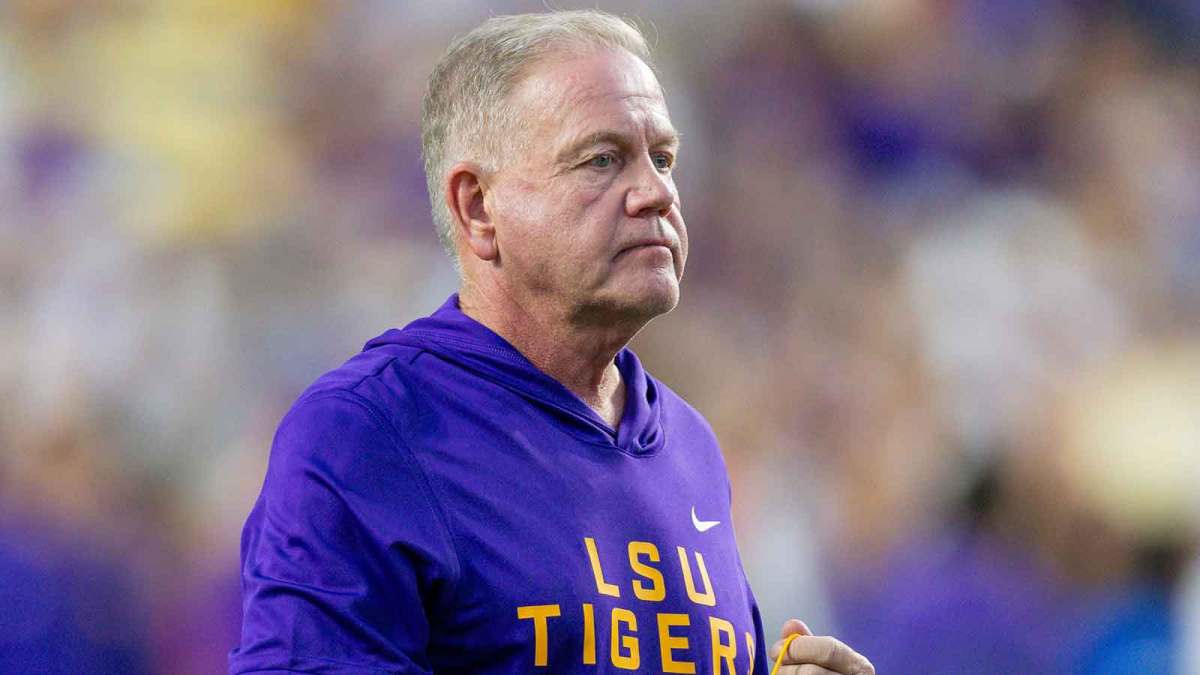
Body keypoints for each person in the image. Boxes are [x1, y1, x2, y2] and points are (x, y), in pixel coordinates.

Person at [231, 10, 873, 675]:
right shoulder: (369, 434)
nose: (655, 192)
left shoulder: (690, 446)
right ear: (478, 207)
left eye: (663, 157)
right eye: (603, 159)